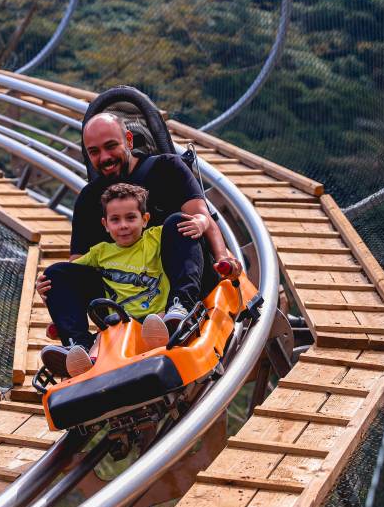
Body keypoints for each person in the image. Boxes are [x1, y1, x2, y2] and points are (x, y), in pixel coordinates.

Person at [36, 111, 238, 375]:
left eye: (111, 146)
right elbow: (79, 265)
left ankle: (180, 310)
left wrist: (223, 257)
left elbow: (201, 216)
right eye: (94, 151)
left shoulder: (167, 168)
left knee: (179, 222)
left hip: (175, 276)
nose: (104, 158)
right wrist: (59, 294)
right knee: (56, 274)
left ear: (128, 140)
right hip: (123, 293)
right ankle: (80, 349)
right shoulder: (89, 200)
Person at [41, 183, 180, 376]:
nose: (123, 225)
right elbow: (66, 282)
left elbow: (186, 230)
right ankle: (80, 353)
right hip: (117, 322)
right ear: (105, 225)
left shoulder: (156, 238)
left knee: (153, 325)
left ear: (145, 219)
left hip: (155, 319)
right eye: (115, 220)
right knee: (55, 273)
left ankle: (167, 333)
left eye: (131, 218)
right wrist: (50, 294)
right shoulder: (100, 253)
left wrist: (202, 222)